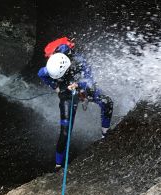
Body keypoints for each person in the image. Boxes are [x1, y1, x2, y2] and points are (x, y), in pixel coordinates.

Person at [38, 37, 113, 170]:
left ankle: (105, 135)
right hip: (66, 93)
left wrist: (79, 85)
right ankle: (58, 165)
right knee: (65, 132)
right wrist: (57, 88)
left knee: (107, 102)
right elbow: (41, 74)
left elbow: (90, 83)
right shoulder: (51, 67)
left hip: (81, 86)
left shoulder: (80, 62)